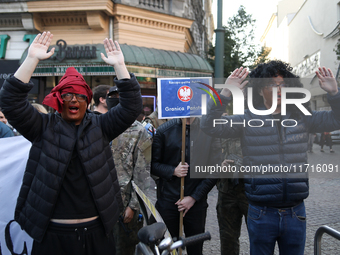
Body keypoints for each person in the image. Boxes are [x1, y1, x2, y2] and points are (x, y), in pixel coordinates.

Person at [0, 31, 142, 255]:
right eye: (67, 95)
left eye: (80, 95)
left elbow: (131, 108)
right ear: (58, 100)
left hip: (97, 235)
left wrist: (120, 66)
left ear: (88, 101)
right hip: (52, 237)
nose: (74, 100)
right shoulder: (42, 127)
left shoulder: (101, 127)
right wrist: (32, 59)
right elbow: (10, 101)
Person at [200, 60, 340, 255]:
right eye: (272, 84)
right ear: (259, 90)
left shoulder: (303, 117)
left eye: (282, 84)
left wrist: (334, 93)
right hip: (261, 213)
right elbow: (209, 125)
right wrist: (224, 94)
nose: (279, 89)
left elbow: (336, 119)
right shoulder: (247, 119)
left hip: (295, 212)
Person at [151, 117, 222, 255]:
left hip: (196, 203)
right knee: (168, 248)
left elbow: (216, 169)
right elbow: (153, 165)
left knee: (195, 249)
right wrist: (173, 171)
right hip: (168, 201)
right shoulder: (164, 131)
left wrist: (194, 197)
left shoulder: (209, 131)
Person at [105, 86, 152, 255]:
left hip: (124, 205)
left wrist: (133, 206)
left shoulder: (140, 131)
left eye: (120, 96)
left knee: (123, 250)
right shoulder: (98, 125)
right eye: (112, 96)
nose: (116, 100)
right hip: (99, 203)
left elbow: (143, 172)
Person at [217, 138, 248, 255]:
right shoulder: (219, 124)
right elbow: (210, 152)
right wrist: (220, 164)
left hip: (251, 190)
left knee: (260, 238)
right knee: (227, 239)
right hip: (227, 189)